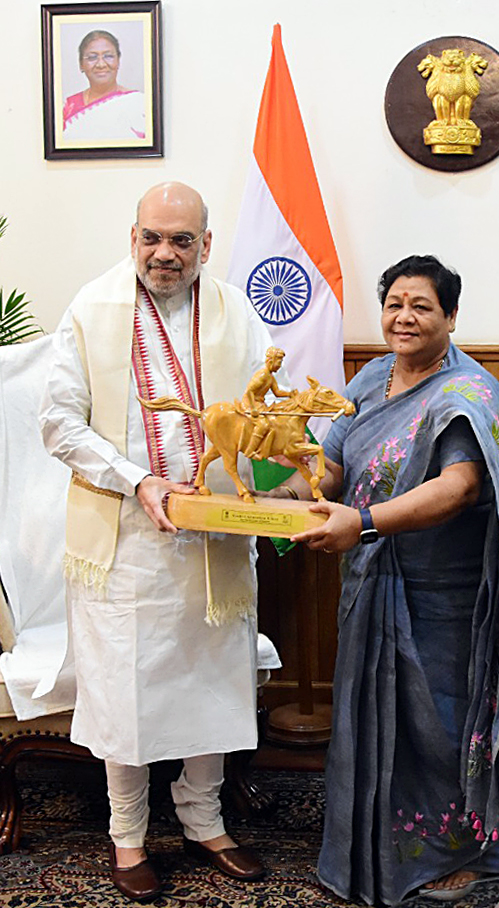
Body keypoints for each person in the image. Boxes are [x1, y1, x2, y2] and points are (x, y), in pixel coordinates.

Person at [40, 182, 279, 901]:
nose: (165, 253)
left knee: (212, 682)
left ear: (206, 245)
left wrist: (288, 478)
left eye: (181, 240)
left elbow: (269, 409)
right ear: (133, 236)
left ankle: (205, 822)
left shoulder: (239, 314)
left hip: (216, 537)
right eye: (152, 237)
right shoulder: (91, 308)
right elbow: (59, 425)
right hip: (126, 538)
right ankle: (128, 836)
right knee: (127, 692)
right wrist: (138, 481)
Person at [271, 255, 499, 904]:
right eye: (394, 303)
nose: (405, 316)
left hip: (446, 596)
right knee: (377, 723)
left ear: (450, 316)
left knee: (441, 728)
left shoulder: (468, 392)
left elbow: (459, 487)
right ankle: (376, 847)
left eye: (422, 305)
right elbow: (332, 467)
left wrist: (359, 522)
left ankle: (476, 851)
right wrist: (293, 489)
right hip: (371, 585)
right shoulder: (369, 379)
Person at [63, 29, 145, 141]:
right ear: (81, 64)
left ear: (118, 61)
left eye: (108, 56)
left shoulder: (139, 103)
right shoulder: (68, 107)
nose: (101, 64)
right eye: (92, 57)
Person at [239, 345, 295, 458]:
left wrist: (290, 394)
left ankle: (265, 449)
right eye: (279, 362)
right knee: (263, 425)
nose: (279, 366)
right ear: (271, 361)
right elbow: (249, 391)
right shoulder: (262, 375)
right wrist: (253, 409)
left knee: (274, 421)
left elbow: (277, 392)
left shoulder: (270, 377)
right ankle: (250, 450)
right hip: (251, 403)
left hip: (259, 404)